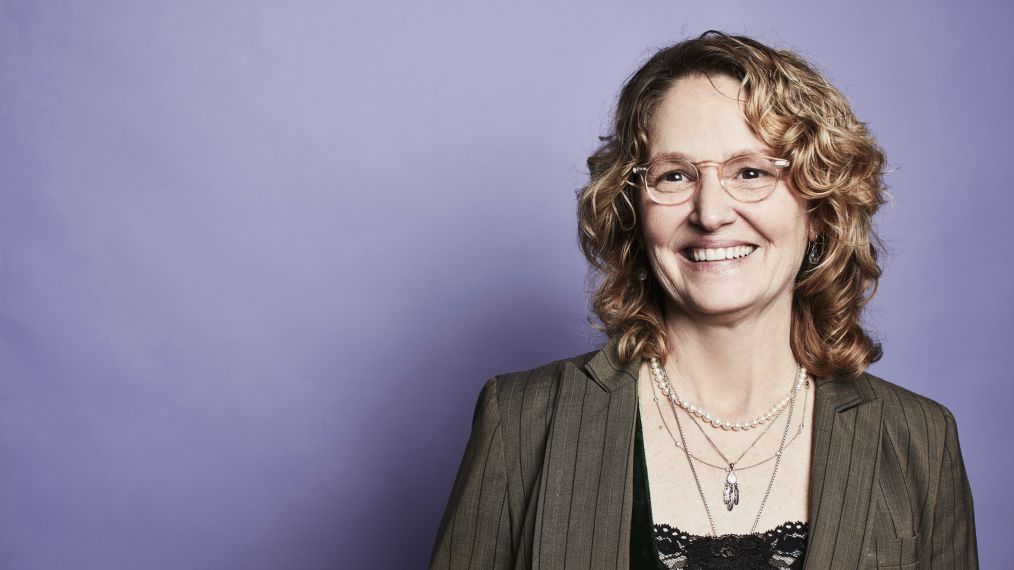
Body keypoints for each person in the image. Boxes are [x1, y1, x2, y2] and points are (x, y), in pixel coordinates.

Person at [430, 30, 978, 569]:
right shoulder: (523, 421)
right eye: (674, 176)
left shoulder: (919, 444)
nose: (711, 212)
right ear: (634, 211)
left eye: (751, 172)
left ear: (818, 210)